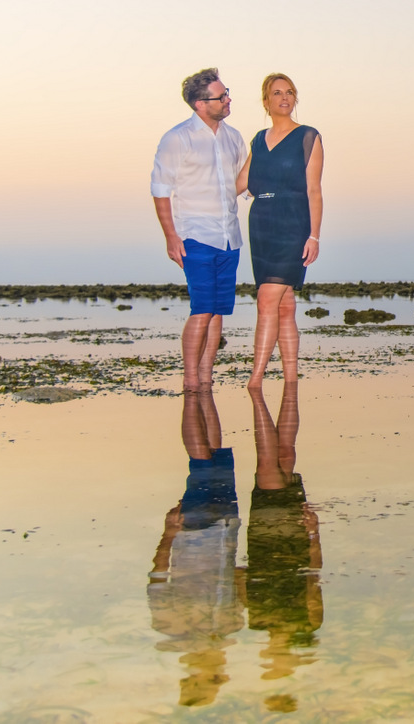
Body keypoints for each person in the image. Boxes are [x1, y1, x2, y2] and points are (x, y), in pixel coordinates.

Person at [151, 68, 249, 391]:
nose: (227, 99)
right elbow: (160, 188)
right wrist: (170, 237)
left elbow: (235, 186)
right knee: (202, 308)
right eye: (220, 96)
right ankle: (190, 377)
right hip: (195, 236)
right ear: (199, 104)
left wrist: (260, 155)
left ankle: (206, 374)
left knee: (219, 310)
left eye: (226, 92)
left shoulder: (234, 137)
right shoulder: (178, 138)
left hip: (229, 236)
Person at [148, 388, 244, 706]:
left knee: (202, 466)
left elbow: (158, 578)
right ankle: (202, 388)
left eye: (214, 675)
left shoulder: (170, 627)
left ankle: (195, 393)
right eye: (220, 675)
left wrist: (168, 533)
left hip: (193, 537)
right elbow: (237, 579)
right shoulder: (231, 628)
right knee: (216, 459)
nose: (222, 668)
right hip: (226, 528)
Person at [235, 73, 323, 386]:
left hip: (293, 223)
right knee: (285, 306)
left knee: (266, 300)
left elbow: (314, 190)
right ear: (266, 101)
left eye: (289, 92)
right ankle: (290, 380)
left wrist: (314, 235)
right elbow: (241, 182)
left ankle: (255, 380)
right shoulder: (259, 139)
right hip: (261, 225)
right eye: (277, 93)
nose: (284, 97)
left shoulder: (308, 137)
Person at [246, 379, 322, 680]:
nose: (268, 655)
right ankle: (259, 396)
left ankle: (283, 390)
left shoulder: (258, 621)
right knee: (273, 460)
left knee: (284, 457)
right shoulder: (306, 624)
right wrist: (314, 533)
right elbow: (313, 579)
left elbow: (239, 575)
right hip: (278, 535)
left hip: (268, 538)